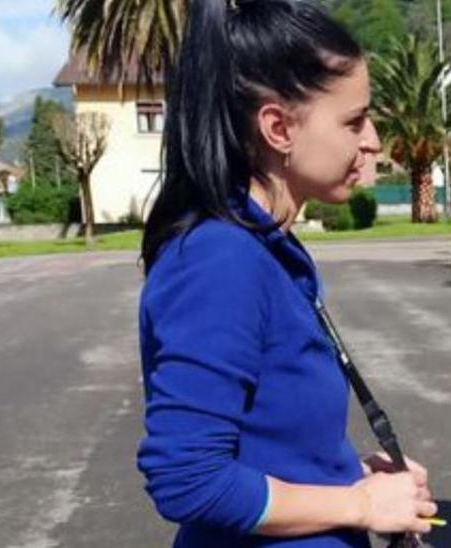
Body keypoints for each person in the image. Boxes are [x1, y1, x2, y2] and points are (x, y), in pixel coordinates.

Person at [136, 1, 435, 546]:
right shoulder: (220, 259)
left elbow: (268, 441)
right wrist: (357, 504)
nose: (372, 140)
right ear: (278, 127)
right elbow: (187, 478)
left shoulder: (268, 247)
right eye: (354, 120)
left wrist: (347, 477)